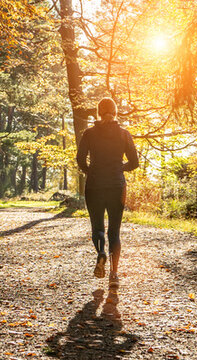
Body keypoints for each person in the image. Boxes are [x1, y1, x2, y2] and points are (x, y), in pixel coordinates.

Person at [76, 98, 139, 283]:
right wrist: (120, 168)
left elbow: (80, 159)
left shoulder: (89, 134)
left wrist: (91, 171)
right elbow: (134, 162)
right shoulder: (124, 134)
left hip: (94, 186)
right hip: (116, 186)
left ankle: (101, 253)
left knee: (97, 227)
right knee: (114, 231)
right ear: (115, 112)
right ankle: (113, 274)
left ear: (98, 112)